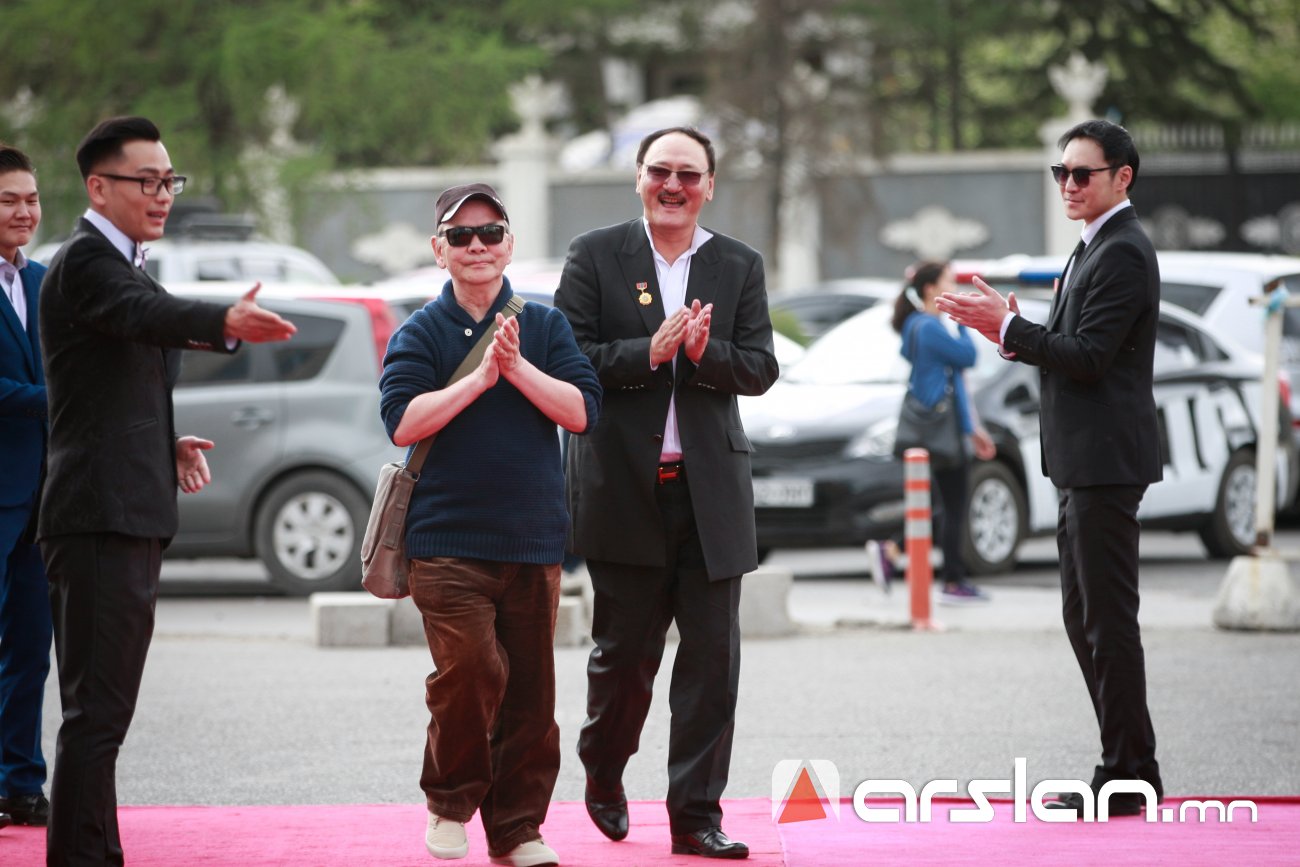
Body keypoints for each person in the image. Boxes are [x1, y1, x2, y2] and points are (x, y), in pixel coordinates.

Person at [38, 116, 296, 866]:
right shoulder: (86, 263)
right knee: (95, 717)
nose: (162, 194)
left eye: (169, 180)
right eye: (146, 181)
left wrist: (166, 444)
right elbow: (146, 316)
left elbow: (110, 385)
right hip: (97, 514)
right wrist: (222, 318)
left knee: (105, 717)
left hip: (128, 505)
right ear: (98, 187)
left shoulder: (127, 266)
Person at [554, 126, 779, 860]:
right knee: (625, 660)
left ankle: (695, 816)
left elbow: (760, 367)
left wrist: (703, 353)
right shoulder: (596, 255)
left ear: (709, 184)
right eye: (660, 172)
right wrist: (645, 354)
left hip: (710, 495)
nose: (673, 186)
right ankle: (604, 768)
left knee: (712, 666)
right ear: (639, 178)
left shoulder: (737, 264)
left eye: (688, 174)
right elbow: (568, 357)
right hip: (625, 488)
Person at [936, 118, 1163, 816]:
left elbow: (1090, 357)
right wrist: (1015, 332)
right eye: (1060, 172)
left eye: (1082, 173)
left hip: (1105, 462)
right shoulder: (1094, 244)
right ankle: (1130, 765)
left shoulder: (1123, 251)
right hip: (1081, 462)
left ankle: (1127, 774)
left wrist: (1007, 328)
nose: (1068, 184)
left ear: (1122, 177)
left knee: (1107, 621)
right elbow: (1073, 344)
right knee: (1083, 616)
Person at [378, 182, 600, 866]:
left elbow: (580, 411)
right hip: (446, 544)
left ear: (509, 244)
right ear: (439, 249)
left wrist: (516, 368)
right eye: (461, 235)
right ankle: (449, 804)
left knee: (531, 695)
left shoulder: (545, 326)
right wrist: (477, 382)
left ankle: (516, 829)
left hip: (533, 540)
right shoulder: (421, 331)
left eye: (490, 232)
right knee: (471, 672)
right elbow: (401, 422)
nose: (477, 246)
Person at [879, 260, 996, 604]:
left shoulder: (914, 324)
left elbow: (941, 372)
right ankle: (953, 581)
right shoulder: (931, 327)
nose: (955, 287)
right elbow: (968, 357)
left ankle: (893, 550)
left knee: (936, 504)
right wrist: (960, 321)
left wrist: (973, 428)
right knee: (953, 504)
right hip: (942, 428)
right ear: (931, 289)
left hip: (933, 426)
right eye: (949, 281)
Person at [0, 144, 50, 831]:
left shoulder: (43, 281)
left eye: (31, 199)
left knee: (32, 648)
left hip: (45, 496)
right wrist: (56, 400)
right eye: (9, 200)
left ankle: (20, 781)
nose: (23, 212)